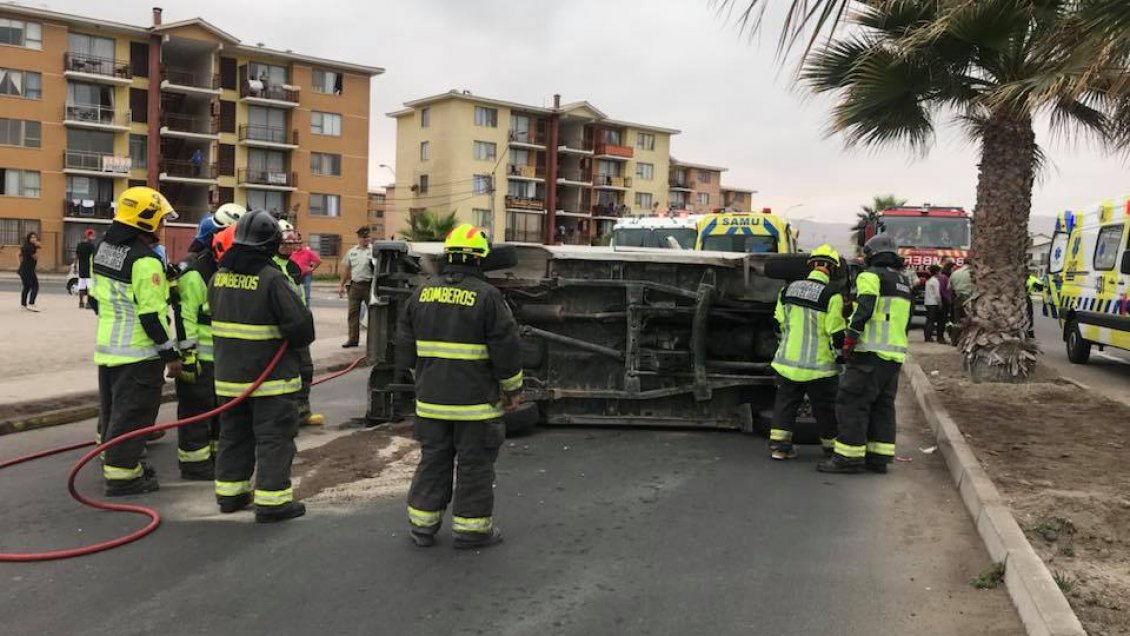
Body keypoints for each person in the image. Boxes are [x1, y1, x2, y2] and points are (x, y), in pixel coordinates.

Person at [396, 223, 522, 549]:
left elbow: (405, 351)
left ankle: (422, 528)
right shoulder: (489, 298)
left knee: (432, 461)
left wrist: (423, 380)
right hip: (475, 406)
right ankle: (472, 531)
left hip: (430, 403)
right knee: (474, 466)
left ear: (447, 255)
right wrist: (512, 390)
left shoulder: (420, 293)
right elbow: (506, 351)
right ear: (480, 259)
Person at [209, 210, 315, 522]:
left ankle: (230, 495)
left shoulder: (218, 277)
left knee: (233, 436)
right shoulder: (272, 279)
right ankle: (272, 503)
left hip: (228, 379)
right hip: (270, 380)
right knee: (274, 439)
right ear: (269, 244)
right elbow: (301, 329)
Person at [90, 186, 181, 495]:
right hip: (139, 354)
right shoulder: (145, 261)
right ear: (145, 221)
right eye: (160, 220)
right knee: (135, 414)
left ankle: (114, 457)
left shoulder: (102, 248)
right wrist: (171, 356)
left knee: (113, 410)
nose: (162, 226)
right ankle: (123, 476)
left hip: (108, 351)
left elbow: (95, 301)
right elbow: (152, 316)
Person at [819, 233, 911, 475]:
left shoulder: (870, 276)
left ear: (871, 255)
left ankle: (848, 458)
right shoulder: (903, 281)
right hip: (893, 356)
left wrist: (850, 338)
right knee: (882, 406)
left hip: (870, 352)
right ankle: (878, 457)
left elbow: (866, 308)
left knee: (852, 403)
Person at [768, 244, 846, 460]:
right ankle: (831, 449)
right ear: (831, 269)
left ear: (811, 266)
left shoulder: (787, 290)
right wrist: (840, 354)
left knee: (785, 405)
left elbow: (777, 323)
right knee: (825, 409)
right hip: (819, 367)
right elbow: (836, 332)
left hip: (787, 363)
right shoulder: (832, 295)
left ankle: (779, 449)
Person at [171, 222, 222, 480]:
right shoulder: (195, 272)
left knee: (218, 413)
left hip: (221, 359)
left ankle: (213, 457)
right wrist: (188, 356)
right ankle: (194, 464)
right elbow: (185, 316)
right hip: (200, 358)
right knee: (195, 411)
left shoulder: (221, 268)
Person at [274, 219, 324, 427]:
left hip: (298, 328)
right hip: (279, 332)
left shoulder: (294, 267)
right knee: (281, 377)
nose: (289, 245)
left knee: (305, 370)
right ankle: (281, 415)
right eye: (285, 241)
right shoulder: (270, 266)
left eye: (291, 241)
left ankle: (302, 412)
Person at [339, 226, 373, 348]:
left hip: (370, 286)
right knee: (353, 314)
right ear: (359, 238)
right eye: (363, 237)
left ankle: (373, 340)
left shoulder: (374, 251)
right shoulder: (352, 252)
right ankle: (353, 339)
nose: (365, 239)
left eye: (367, 237)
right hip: (355, 285)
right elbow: (346, 268)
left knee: (373, 314)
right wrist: (342, 285)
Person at [290, 240, 322, 307]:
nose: (298, 244)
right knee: (294, 295)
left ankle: (306, 310)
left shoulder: (307, 252)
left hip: (306, 275)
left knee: (306, 295)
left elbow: (318, 261)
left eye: (300, 243)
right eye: (296, 243)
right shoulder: (291, 253)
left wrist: (312, 268)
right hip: (294, 276)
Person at [950, 259, 973, 343]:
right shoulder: (972, 273)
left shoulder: (955, 273)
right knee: (969, 320)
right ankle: (966, 341)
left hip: (958, 297)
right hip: (969, 298)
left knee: (957, 320)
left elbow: (949, 288)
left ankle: (954, 340)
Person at [19, 232, 41, 312]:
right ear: (28, 238)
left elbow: (20, 255)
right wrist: (36, 246)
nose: (34, 239)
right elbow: (35, 257)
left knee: (26, 287)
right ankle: (31, 304)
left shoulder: (25, 246)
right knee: (35, 286)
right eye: (32, 237)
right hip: (28, 270)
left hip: (23, 269)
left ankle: (23, 304)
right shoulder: (30, 247)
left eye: (35, 237)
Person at [923, 264, 945, 343]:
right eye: (939, 272)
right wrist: (940, 303)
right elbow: (937, 294)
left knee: (929, 320)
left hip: (927, 302)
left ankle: (927, 336)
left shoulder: (929, 280)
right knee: (931, 321)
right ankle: (928, 337)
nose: (940, 273)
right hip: (933, 303)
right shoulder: (935, 281)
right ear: (936, 272)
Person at [75, 229, 96, 309]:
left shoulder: (80, 245)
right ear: (88, 236)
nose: (92, 237)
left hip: (81, 269)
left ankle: (81, 302)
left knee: (81, 286)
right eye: (91, 235)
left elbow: (76, 256)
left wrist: (75, 266)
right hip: (89, 269)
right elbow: (94, 257)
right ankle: (88, 303)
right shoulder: (91, 246)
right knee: (90, 287)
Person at [1026, 272, 1045, 339]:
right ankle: (1029, 333)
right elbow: (1041, 287)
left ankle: (1030, 332)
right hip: (1024, 299)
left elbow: (1041, 287)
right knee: (1029, 316)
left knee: (1029, 316)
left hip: (1024, 298)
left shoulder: (1033, 279)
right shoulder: (1032, 279)